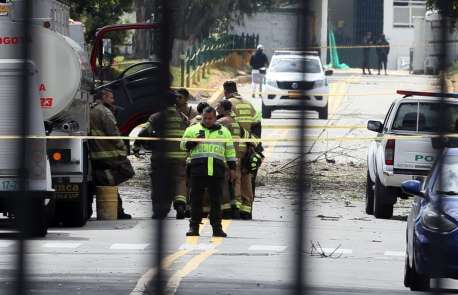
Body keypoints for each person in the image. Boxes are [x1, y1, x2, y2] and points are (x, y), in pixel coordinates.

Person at [181, 106, 237, 237]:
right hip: (197, 170)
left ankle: (217, 228)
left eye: (210, 118)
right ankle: (193, 227)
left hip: (216, 170)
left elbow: (230, 151)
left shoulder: (224, 132)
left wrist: (232, 169)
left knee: (216, 201)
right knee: (195, 200)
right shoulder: (192, 129)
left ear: (215, 117)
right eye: (205, 118)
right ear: (202, 116)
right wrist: (193, 141)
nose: (207, 120)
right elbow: (182, 145)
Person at [132, 92, 189, 219]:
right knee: (179, 180)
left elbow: (143, 132)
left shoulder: (156, 117)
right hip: (179, 156)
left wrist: (136, 146)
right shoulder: (183, 117)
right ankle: (180, 205)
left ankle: (161, 209)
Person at [88, 88, 134, 220]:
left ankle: (117, 210)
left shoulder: (91, 110)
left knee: (108, 182)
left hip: (96, 154)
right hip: (109, 154)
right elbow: (113, 133)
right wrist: (122, 147)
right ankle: (117, 211)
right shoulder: (104, 112)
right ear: (103, 97)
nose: (113, 101)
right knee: (125, 172)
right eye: (111, 98)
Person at [223, 81, 260, 219]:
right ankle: (247, 208)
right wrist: (253, 145)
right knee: (247, 177)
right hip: (248, 147)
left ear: (225, 92)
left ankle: (236, 207)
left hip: (234, 147)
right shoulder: (248, 104)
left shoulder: (227, 104)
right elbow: (257, 125)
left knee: (235, 176)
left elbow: (220, 124)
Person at [216, 100, 246, 219]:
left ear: (223, 108)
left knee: (224, 182)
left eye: (218, 106)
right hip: (235, 155)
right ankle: (236, 207)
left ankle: (226, 209)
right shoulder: (235, 122)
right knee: (235, 181)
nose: (216, 108)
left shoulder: (222, 122)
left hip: (225, 156)